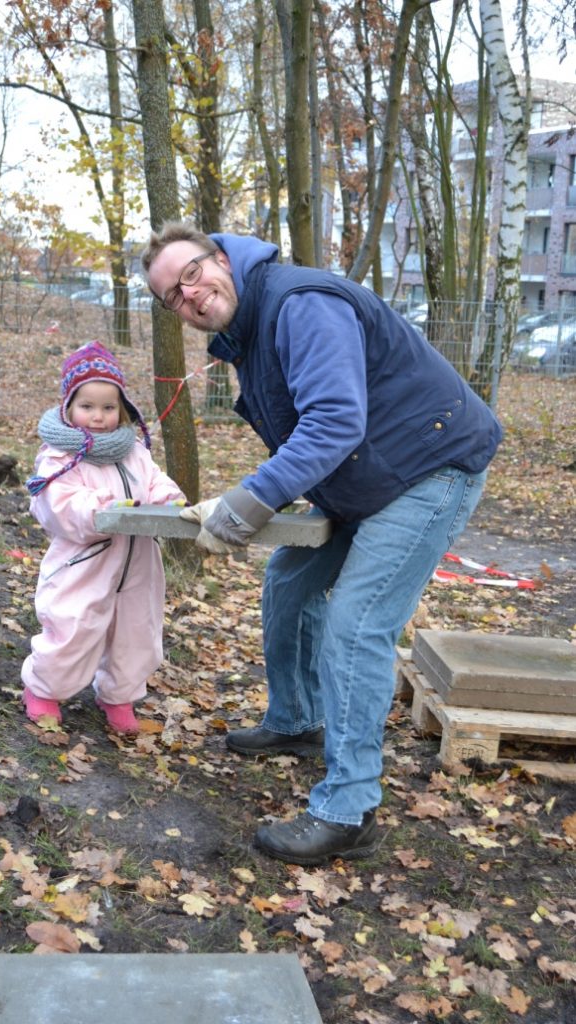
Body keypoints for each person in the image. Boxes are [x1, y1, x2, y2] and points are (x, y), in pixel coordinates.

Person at [142, 222, 502, 866]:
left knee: (356, 623)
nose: (189, 295)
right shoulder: (247, 336)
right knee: (290, 579)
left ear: (222, 259)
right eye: (172, 294)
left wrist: (249, 503)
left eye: (192, 273)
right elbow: (311, 428)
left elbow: (335, 419)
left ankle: (348, 810)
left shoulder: (298, 303)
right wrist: (254, 500)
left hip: (431, 467)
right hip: (371, 475)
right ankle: (298, 721)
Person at [21, 340, 185, 734]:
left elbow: (155, 482)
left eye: (109, 408)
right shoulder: (60, 457)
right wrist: (105, 509)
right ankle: (43, 690)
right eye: (87, 407)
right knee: (73, 628)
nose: (98, 417)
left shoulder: (133, 452)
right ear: (68, 407)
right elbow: (57, 504)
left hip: (138, 564)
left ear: (123, 410)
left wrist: (170, 500)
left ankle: (118, 696)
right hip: (85, 563)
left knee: (136, 633)